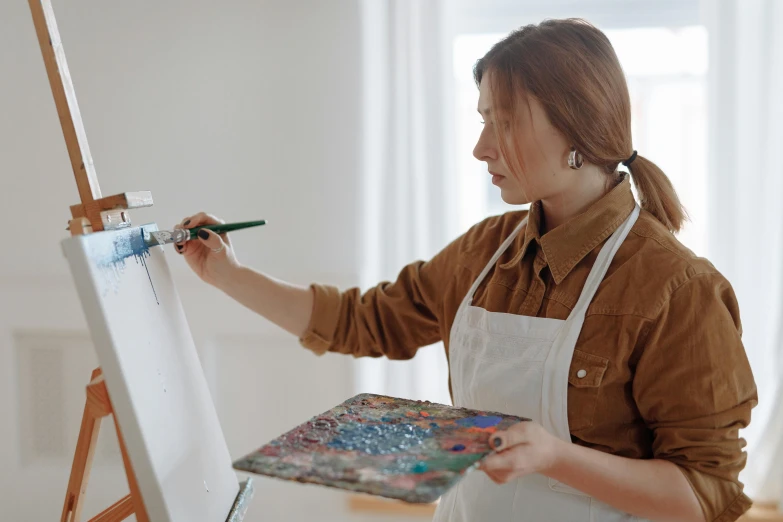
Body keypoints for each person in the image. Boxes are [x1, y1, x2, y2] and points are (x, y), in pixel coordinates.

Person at [175, 18, 757, 522]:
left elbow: (705, 494)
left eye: (504, 123)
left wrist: (555, 455)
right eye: (483, 120)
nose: (482, 148)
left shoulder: (676, 289)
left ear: (577, 130)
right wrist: (225, 274)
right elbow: (362, 321)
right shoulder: (487, 251)